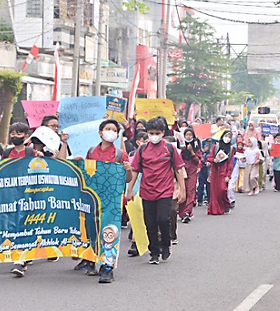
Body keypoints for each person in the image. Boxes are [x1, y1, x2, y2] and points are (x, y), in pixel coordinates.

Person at [126, 117, 186, 265]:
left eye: (157, 132)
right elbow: (134, 170)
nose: (154, 136)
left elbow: (178, 169)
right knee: (150, 223)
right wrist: (129, 190)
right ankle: (154, 251)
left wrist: (182, 190)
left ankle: (166, 244)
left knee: (163, 219)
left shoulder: (170, 149)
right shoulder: (142, 150)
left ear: (163, 133)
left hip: (165, 191)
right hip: (147, 191)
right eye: (151, 132)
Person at [0, 122, 43, 277]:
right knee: (14, 226)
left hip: (30, 196)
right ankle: (22, 255)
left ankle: (20, 260)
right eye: (12, 134)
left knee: (25, 226)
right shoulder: (7, 153)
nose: (14, 136)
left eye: (18, 134)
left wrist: (42, 158)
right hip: (11, 197)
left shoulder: (32, 153)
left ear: (26, 136)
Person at [81, 119, 132, 283]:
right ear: (100, 132)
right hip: (93, 198)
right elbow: (86, 174)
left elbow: (127, 179)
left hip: (112, 201)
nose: (111, 132)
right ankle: (91, 260)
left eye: (114, 130)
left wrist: (128, 170)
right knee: (91, 229)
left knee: (110, 231)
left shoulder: (119, 154)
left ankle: (107, 267)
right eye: (107, 128)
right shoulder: (90, 152)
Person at [176, 128, 201, 223]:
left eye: (190, 135)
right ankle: (182, 212)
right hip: (182, 172)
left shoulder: (196, 147)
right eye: (187, 135)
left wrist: (191, 152)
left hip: (192, 172)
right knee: (183, 190)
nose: (189, 137)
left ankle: (187, 212)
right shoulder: (180, 147)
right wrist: (182, 151)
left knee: (191, 191)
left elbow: (197, 161)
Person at [206, 130, 234, 215]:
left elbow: (230, 163)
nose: (227, 138)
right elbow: (209, 157)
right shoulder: (216, 147)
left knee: (222, 189)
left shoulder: (231, 149)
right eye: (226, 136)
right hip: (215, 170)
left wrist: (228, 175)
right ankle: (215, 209)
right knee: (214, 191)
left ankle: (225, 204)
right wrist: (213, 160)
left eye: (229, 137)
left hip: (224, 171)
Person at [196, 138, 212, 206]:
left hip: (208, 170)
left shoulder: (210, 154)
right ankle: (200, 200)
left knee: (208, 186)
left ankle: (209, 200)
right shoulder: (201, 154)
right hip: (202, 171)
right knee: (200, 186)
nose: (206, 148)